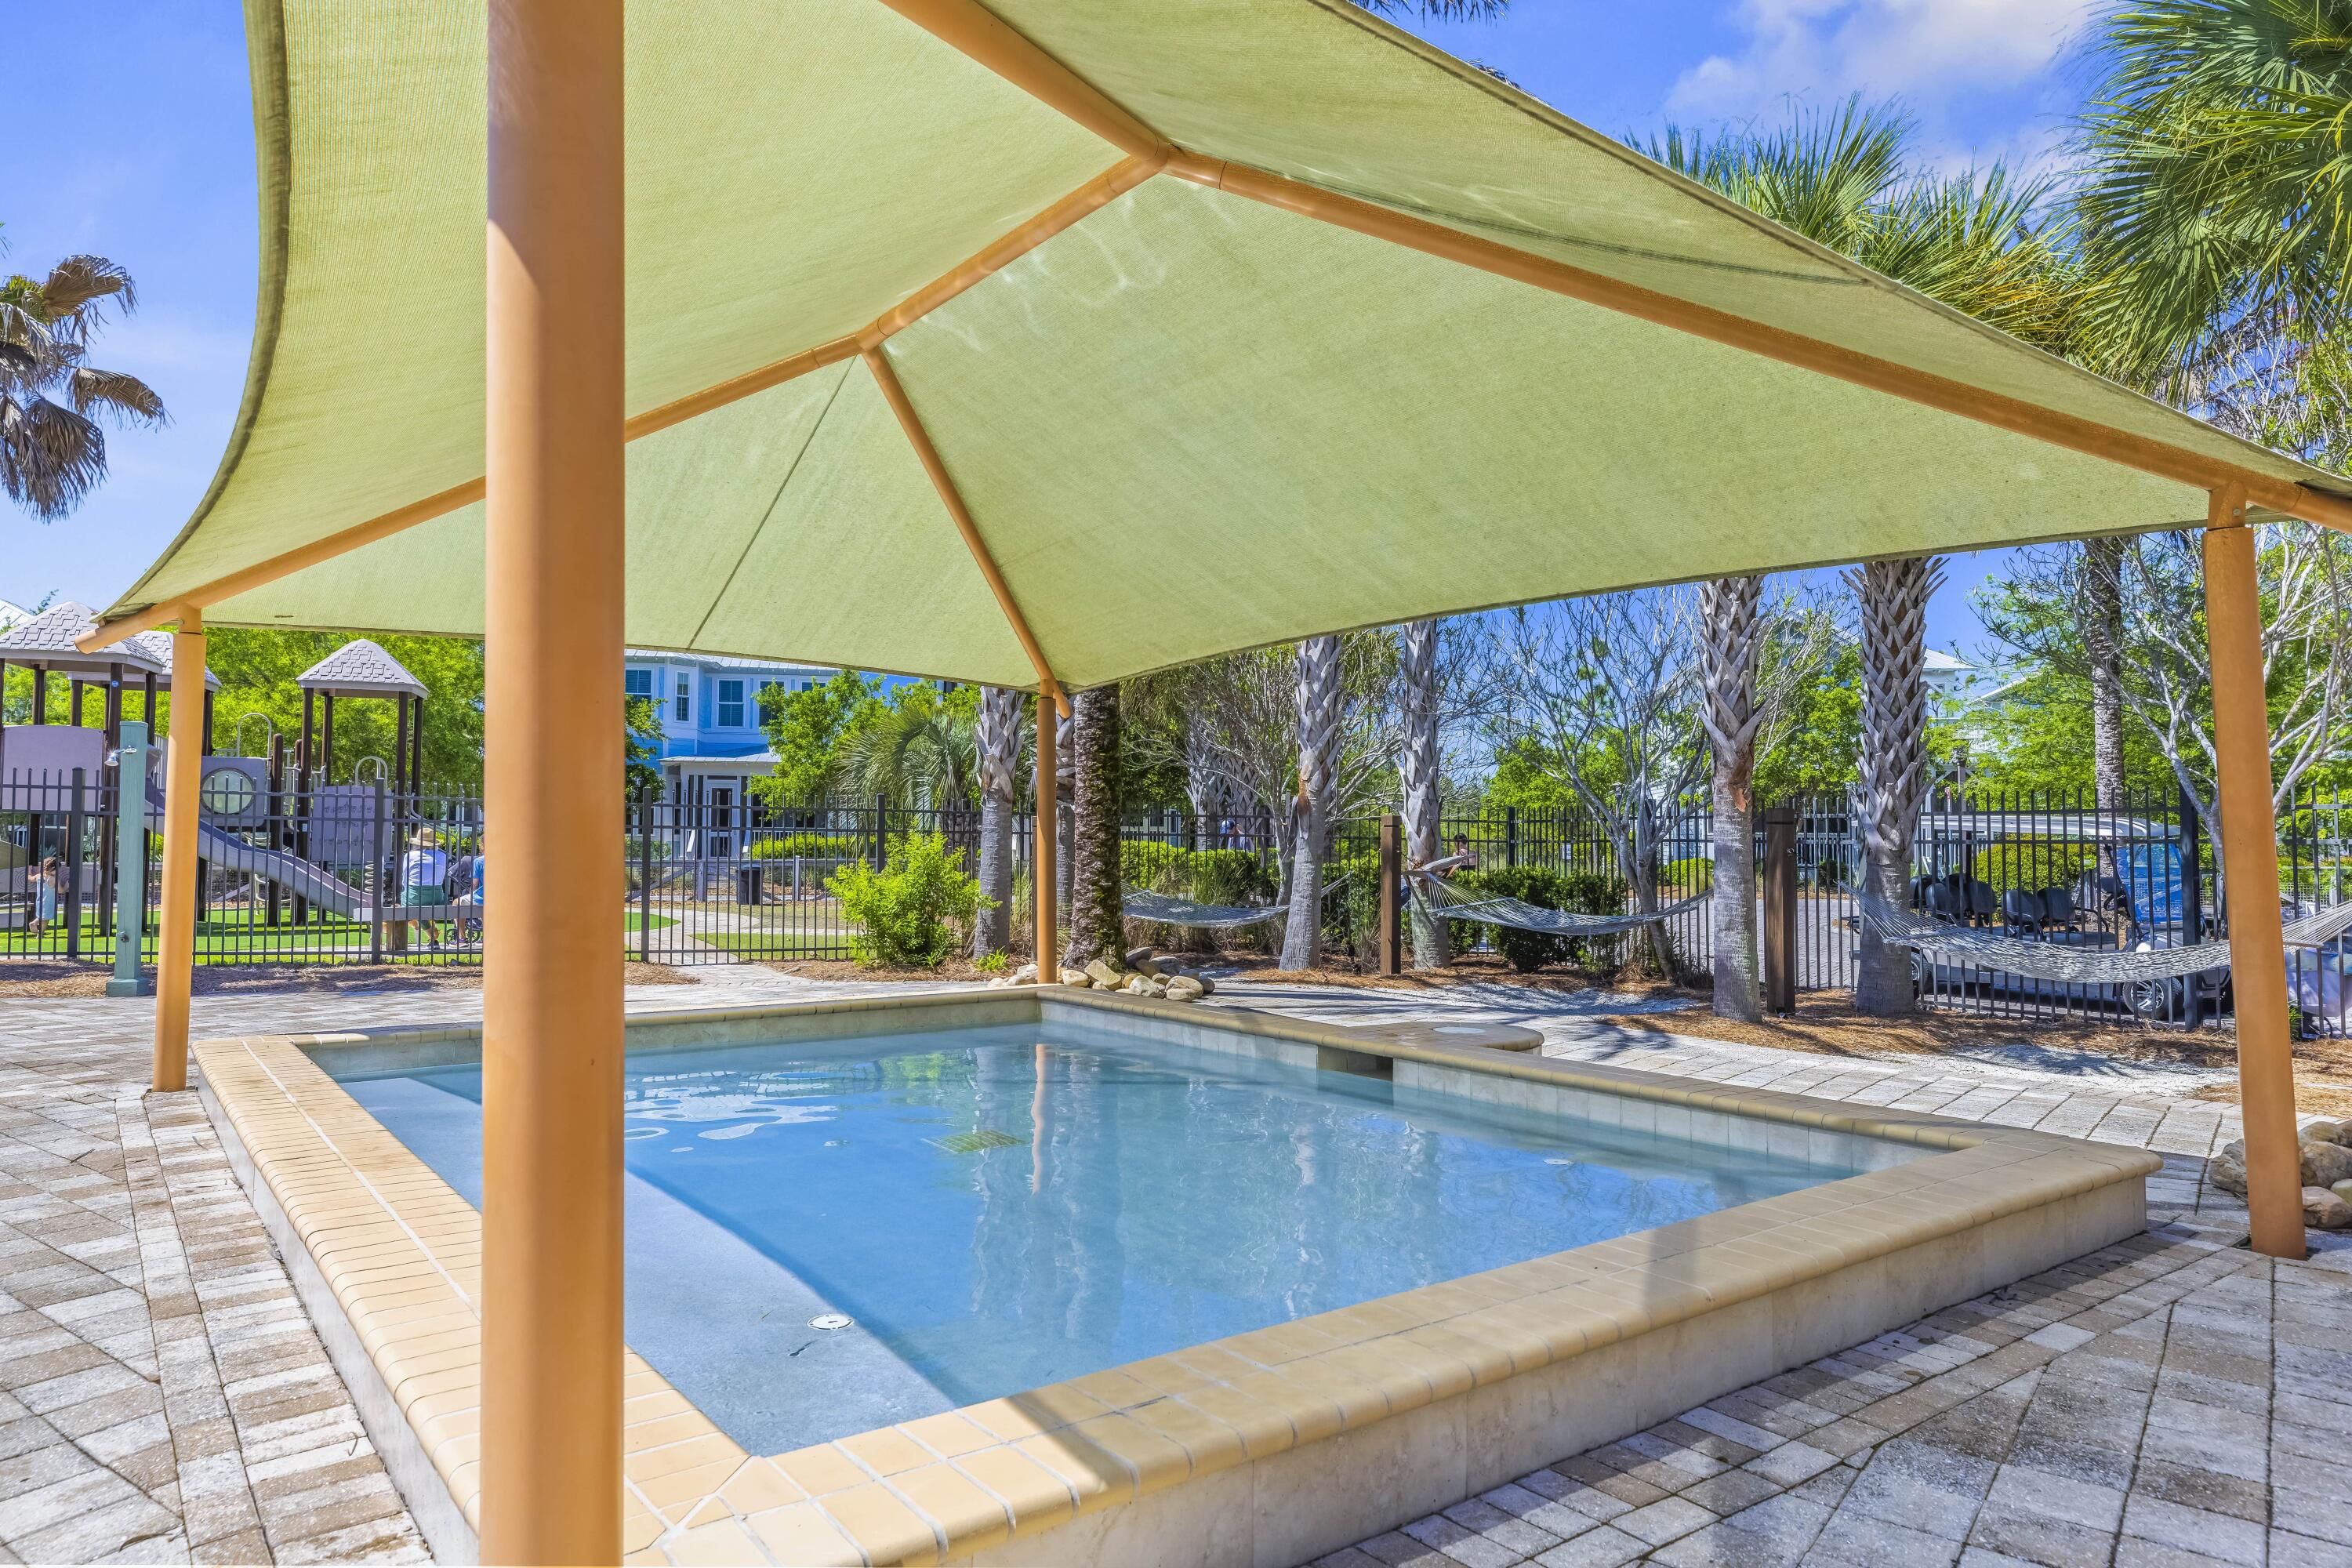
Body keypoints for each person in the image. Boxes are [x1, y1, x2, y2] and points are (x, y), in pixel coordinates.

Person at [398, 826, 448, 952]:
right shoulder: (443, 856)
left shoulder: (410, 855)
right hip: (437, 896)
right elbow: (441, 879)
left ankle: (432, 936)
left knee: (411, 903)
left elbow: (405, 878)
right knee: (424, 906)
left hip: (415, 896)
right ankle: (433, 939)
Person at [25, 856, 65, 938]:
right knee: (45, 920)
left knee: (42, 917)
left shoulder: (39, 876)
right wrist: (67, 886)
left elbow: (29, 878)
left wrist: (29, 869)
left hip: (40, 901)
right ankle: (38, 931)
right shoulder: (53, 879)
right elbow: (61, 891)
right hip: (49, 902)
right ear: (53, 868)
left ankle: (38, 931)